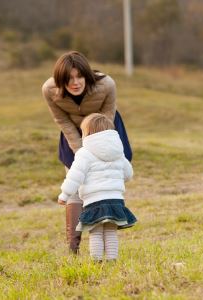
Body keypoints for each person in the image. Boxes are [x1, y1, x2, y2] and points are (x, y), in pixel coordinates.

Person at [42, 51, 132, 253]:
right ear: (60, 80)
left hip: (106, 132)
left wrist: (96, 149)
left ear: (86, 75)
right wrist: (81, 152)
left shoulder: (106, 85)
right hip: (73, 134)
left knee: (102, 179)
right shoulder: (49, 90)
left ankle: (107, 223)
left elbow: (107, 118)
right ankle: (73, 246)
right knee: (75, 183)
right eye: (69, 79)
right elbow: (62, 121)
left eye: (79, 76)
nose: (75, 83)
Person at [58, 113, 136, 261]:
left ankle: (97, 261)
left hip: (94, 201)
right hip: (116, 201)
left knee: (96, 232)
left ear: (87, 133)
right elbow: (128, 174)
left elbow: (74, 176)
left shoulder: (84, 153)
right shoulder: (118, 152)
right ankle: (112, 260)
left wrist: (64, 195)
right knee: (111, 232)